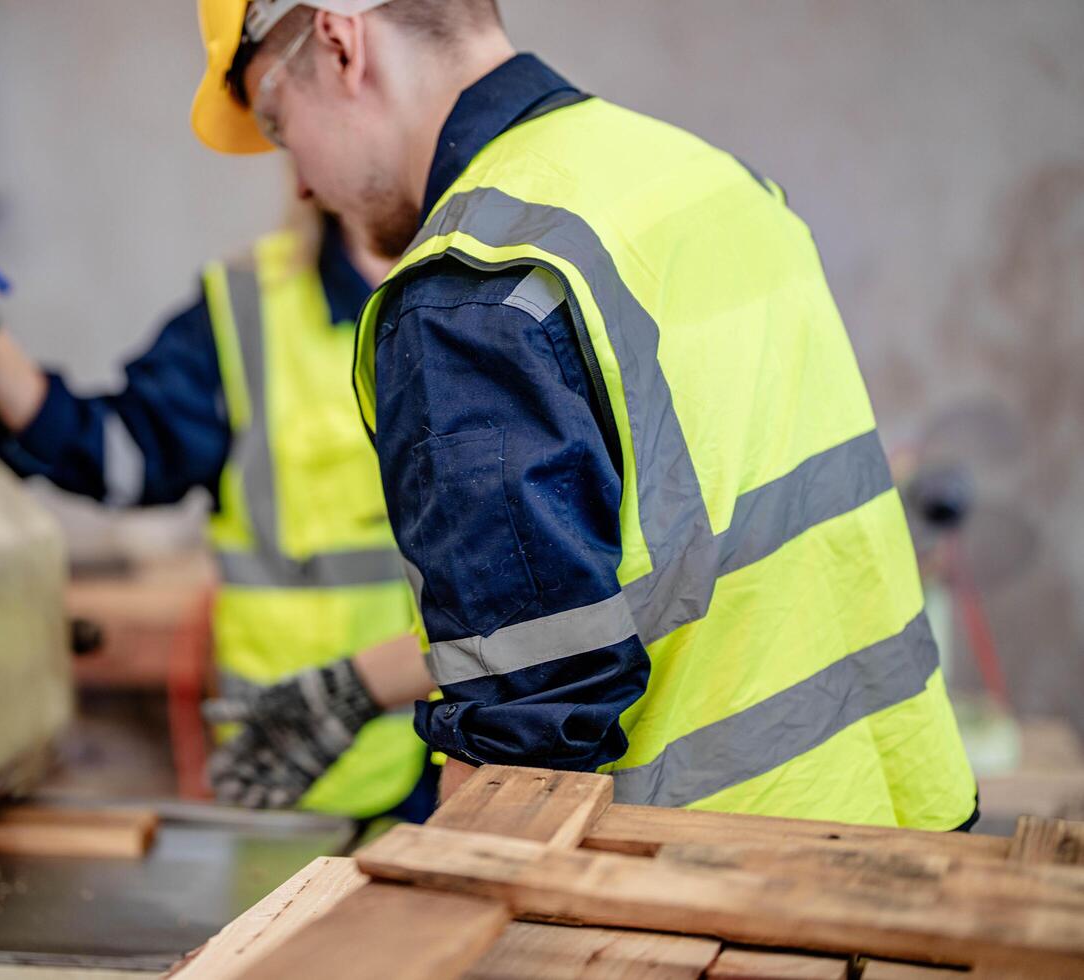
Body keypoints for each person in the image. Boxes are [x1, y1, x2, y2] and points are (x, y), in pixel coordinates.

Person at [190, 0, 979, 828]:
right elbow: (668, 573)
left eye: (279, 126)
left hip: (711, 883)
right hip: (910, 824)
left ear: (341, 44)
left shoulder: (470, 289)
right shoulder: (707, 177)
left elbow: (527, 750)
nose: (304, 183)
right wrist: (363, 683)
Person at [0, 187, 440, 820]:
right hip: (314, 767)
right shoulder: (250, 308)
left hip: (486, 751)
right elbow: (120, 453)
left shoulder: (492, 290)